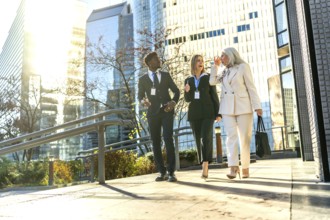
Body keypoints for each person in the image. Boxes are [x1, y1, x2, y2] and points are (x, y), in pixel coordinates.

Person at [209, 47, 262, 179]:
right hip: (227, 108)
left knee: (244, 138)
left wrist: (257, 106)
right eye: (220, 57)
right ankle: (233, 167)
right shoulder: (223, 71)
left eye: (223, 56)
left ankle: (245, 167)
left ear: (231, 56)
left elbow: (251, 86)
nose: (221, 59)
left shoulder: (243, 67)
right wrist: (215, 67)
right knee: (231, 137)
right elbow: (212, 81)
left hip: (243, 106)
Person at [138, 51, 180, 182]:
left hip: (167, 111)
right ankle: (162, 172)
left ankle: (171, 172)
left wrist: (173, 102)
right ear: (150, 63)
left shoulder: (166, 76)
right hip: (152, 114)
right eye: (156, 59)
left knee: (168, 139)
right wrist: (143, 101)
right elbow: (140, 96)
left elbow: (177, 91)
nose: (159, 60)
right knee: (155, 142)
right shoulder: (143, 79)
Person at [184, 54, 221, 179]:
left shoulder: (208, 77)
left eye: (202, 61)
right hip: (194, 114)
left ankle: (205, 165)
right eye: (198, 60)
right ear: (193, 63)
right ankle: (203, 163)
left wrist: (218, 113)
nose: (201, 63)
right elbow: (188, 100)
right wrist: (187, 91)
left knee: (206, 138)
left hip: (208, 112)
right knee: (198, 139)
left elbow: (214, 95)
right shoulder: (188, 79)